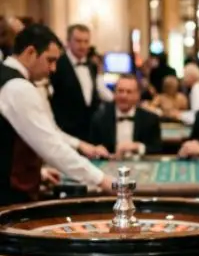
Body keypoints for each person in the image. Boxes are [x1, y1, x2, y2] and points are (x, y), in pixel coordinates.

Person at [0, 24, 114, 206]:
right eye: (50, 60)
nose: (53, 68)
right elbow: (50, 145)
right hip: (6, 197)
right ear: (30, 53)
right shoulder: (18, 87)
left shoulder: (6, 77)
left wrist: (40, 173)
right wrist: (102, 180)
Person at [49, 24, 114, 143]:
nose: (83, 45)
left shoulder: (92, 66)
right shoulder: (56, 65)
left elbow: (97, 94)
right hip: (65, 134)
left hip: (89, 134)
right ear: (68, 42)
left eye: (86, 41)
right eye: (78, 41)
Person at [89, 74, 163, 157]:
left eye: (129, 92)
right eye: (120, 91)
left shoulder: (150, 119)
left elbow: (157, 149)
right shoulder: (99, 118)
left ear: (138, 95)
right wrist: (96, 149)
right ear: (114, 93)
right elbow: (92, 147)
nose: (124, 96)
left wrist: (137, 147)